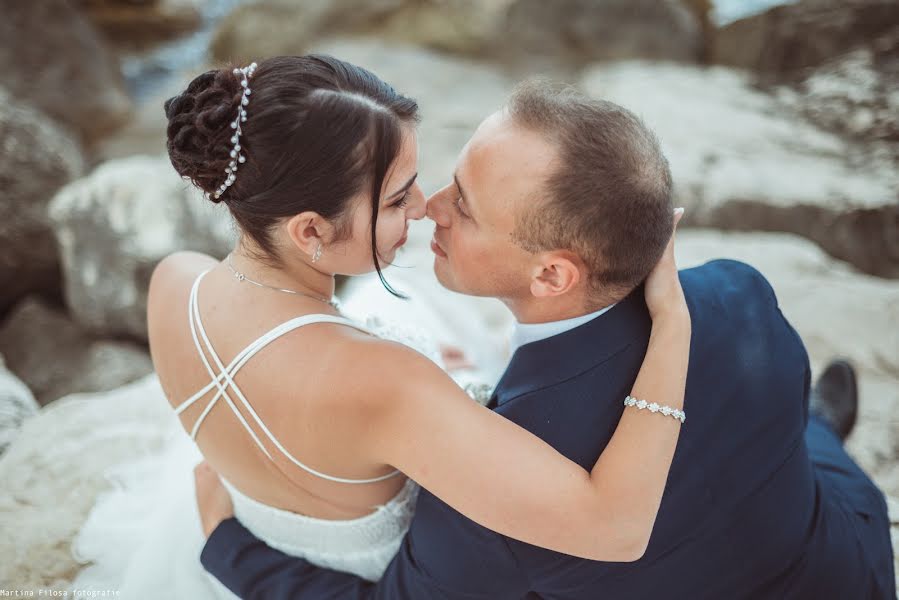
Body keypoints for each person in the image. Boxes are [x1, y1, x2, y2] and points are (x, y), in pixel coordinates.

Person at [195, 75, 896, 597]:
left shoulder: (497, 484)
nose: (428, 208)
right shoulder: (738, 290)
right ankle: (819, 431)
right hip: (848, 560)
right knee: (784, 423)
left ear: (553, 275)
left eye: (462, 208)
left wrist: (230, 546)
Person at [71, 55, 692, 598]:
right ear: (310, 230)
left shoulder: (176, 281)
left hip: (249, 509)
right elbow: (615, 528)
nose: (425, 208)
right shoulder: (387, 383)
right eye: (397, 200)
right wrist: (670, 326)